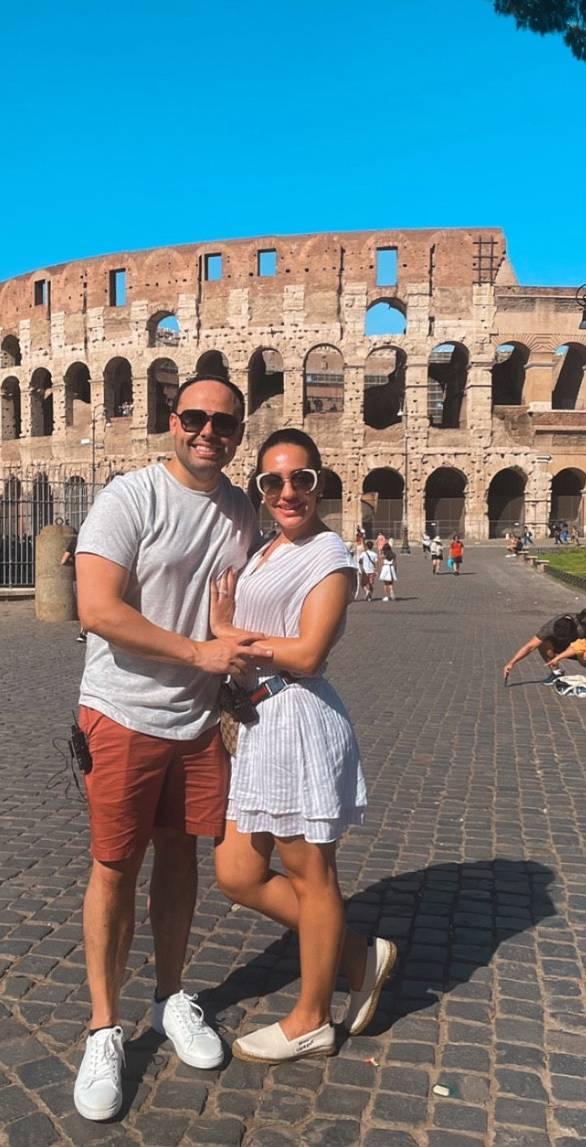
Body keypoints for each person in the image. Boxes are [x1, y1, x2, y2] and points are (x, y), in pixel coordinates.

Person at [71, 376, 273, 1121]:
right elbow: (96, 608)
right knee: (114, 868)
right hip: (121, 713)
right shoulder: (129, 498)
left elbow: (233, 605)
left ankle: (167, 996)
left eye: (223, 422)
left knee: (180, 858)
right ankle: (102, 1027)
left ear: (238, 431)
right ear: (172, 421)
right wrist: (197, 653)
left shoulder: (238, 509)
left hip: (193, 725)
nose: (207, 431)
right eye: (195, 417)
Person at [210, 429, 396, 1064]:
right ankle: (353, 953)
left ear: (320, 483)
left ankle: (313, 1018)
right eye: (273, 482)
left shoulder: (330, 556)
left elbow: (311, 654)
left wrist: (229, 635)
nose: (288, 492)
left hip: (298, 721)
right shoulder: (266, 548)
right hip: (262, 725)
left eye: (301, 479)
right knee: (236, 871)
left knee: (311, 876)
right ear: (261, 491)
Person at [503, 613, 584, 685]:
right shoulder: (549, 627)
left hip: (582, 647)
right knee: (543, 643)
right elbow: (530, 646)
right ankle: (556, 673)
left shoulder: (582, 625)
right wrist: (512, 663)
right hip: (564, 647)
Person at [60, 532, 87, 642]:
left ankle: (83, 631)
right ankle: (84, 631)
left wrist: (74, 564)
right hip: (93, 575)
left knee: (82, 604)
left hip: (80, 577)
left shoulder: (74, 542)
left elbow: (63, 561)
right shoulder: (94, 540)